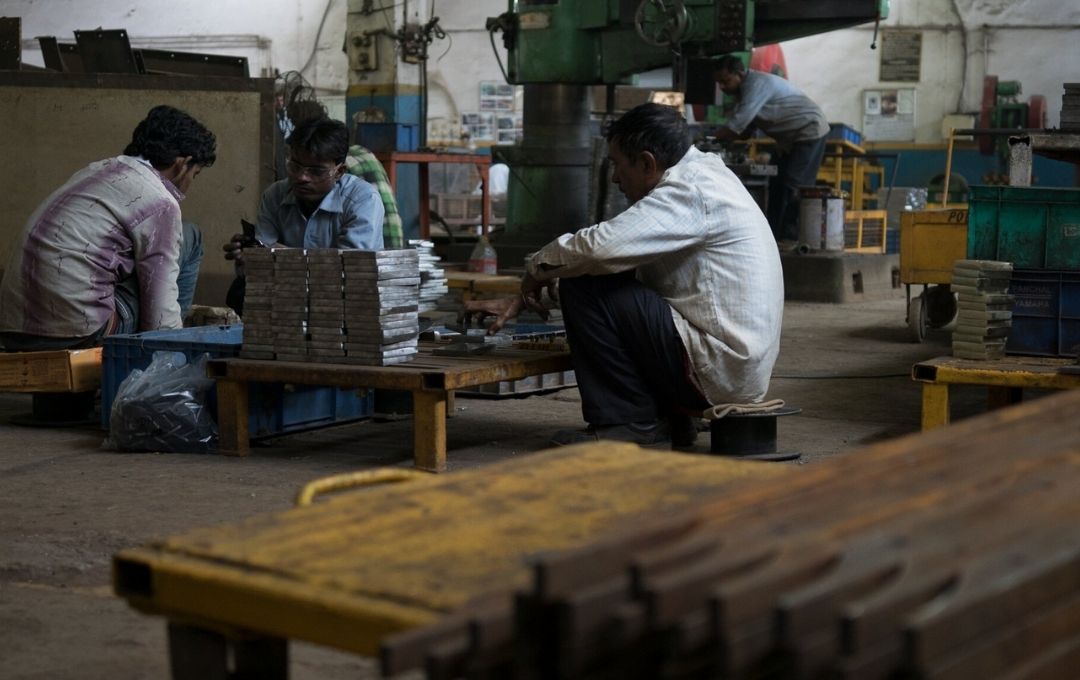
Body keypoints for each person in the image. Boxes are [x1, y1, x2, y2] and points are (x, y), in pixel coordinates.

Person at [460, 103, 784, 447]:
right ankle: (669, 421)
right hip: (731, 367)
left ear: (647, 163)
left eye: (617, 165)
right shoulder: (703, 177)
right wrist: (522, 297)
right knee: (588, 277)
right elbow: (619, 273)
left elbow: (597, 249)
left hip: (718, 368)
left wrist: (535, 268)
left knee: (582, 280)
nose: (615, 178)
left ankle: (629, 424)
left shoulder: (690, 192)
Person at [0, 105, 215, 351]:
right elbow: (160, 312)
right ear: (182, 164)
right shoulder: (160, 202)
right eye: (195, 174)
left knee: (132, 256)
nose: (190, 183)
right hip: (80, 332)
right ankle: (172, 350)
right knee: (190, 235)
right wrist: (169, 355)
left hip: (13, 329)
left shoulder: (95, 171)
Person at [223, 117, 384, 313]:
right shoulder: (275, 195)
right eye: (295, 166)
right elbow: (262, 258)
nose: (302, 177)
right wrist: (247, 256)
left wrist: (284, 256)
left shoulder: (362, 200)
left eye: (316, 171)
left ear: (339, 171)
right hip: (289, 294)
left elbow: (349, 269)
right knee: (240, 291)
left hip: (344, 299)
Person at [711, 54, 829, 244]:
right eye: (719, 83)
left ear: (739, 74)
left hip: (809, 131)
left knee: (793, 186)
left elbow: (735, 126)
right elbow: (745, 131)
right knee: (775, 185)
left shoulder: (755, 85)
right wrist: (728, 138)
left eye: (725, 81)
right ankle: (771, 238)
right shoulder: (743, 93)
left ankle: (792, 239)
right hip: (788, 140)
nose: (722, 87)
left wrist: (704, 140)